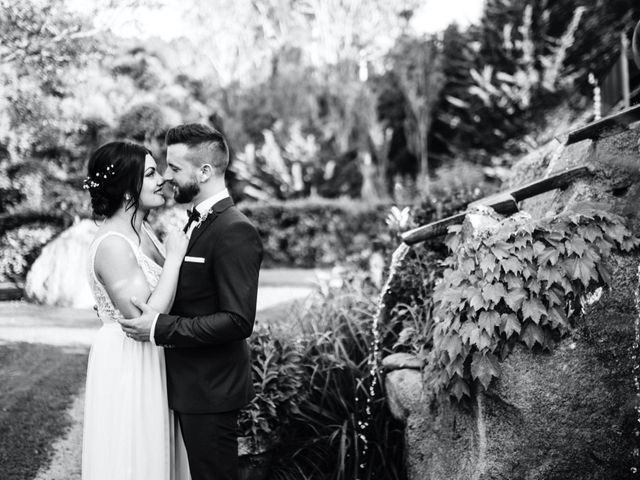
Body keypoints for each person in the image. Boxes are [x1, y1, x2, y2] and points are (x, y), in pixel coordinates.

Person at [120, 124, 264, 480]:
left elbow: (237, 320)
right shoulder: (196, 222)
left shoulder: (235, 230)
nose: (167, 177)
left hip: (210, 390)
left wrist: (158, 327)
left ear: (204, 172)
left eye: (174, 168)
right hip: (186, 385)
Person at [82, 141, 191, 480]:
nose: (162, 179)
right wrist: (174, 258)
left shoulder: (142, 231)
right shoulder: (114, 244)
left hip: (155, 356)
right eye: (150, 173)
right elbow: (145, 318)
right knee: (134, 456)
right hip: (130, 359)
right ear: (127, 188)